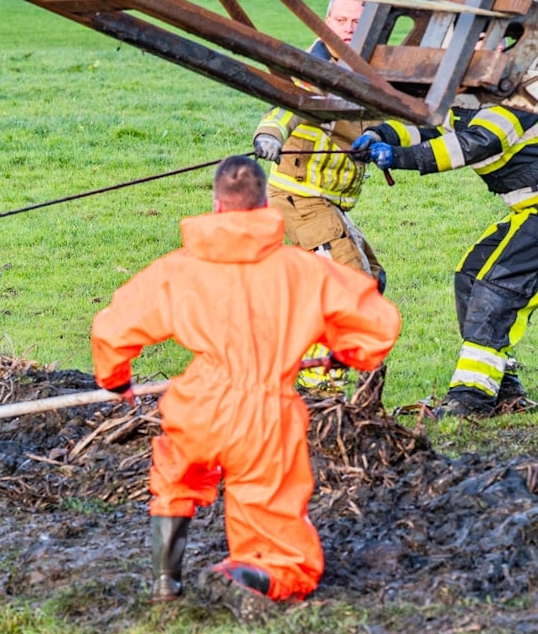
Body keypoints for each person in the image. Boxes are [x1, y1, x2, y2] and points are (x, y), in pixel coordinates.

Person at [91, 156, 401, 603]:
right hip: (266, 412)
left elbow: (113, 328)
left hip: (198, 403)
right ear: (265, 205)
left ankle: (165, 580)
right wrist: (345, 354)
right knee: (269, 510)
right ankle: (253, 572)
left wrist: (116, 381)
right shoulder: (302, 269)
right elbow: (377, 323)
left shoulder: (179, 268)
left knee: (176, 479)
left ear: (216, 204)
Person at [354, 106, 538, 416]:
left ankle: (472, 397)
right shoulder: (468, 103)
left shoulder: (514, 101)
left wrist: (398, 156)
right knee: (470, 277)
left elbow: (475, 143)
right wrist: (379, 134)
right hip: (537, 206)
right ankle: (502, 386)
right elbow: (431, 130)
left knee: (497, 291)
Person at [252, 0, 382, 391]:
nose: (347, 29)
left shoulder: (371, 67)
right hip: (301, 197)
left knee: (373, 279)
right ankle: (318, 384)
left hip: (330, 202)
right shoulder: (313, 67)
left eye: (356, 21)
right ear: (325, 22)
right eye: (340, 20)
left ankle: (298, 361)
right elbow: (286, 107)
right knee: (347, 283)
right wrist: (269, 136)